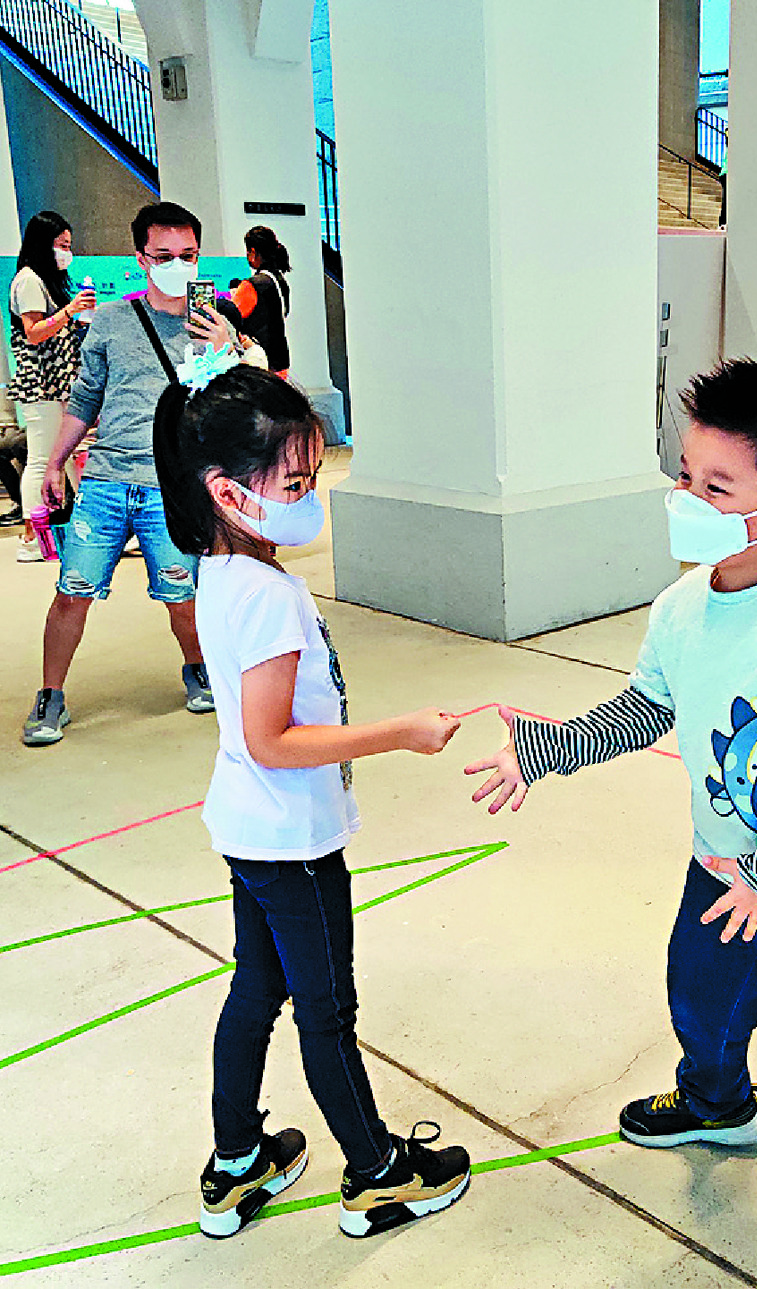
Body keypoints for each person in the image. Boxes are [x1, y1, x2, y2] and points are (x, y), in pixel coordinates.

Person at [465, 359, 757, 1271]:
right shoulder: (682, 606)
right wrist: (546, 748)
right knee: (701, 995)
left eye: (716, 488)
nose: (685, 498)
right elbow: (646, 708)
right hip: (725, 865)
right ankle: (716, 1102)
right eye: (685, 474)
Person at [151, 363, 471, 1240]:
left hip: (249, 828)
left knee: (257, 988)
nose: (310, 498)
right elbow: (272, 739)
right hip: (291, 839)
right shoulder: (267, 596)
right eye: (294, 484)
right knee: (326, 1013)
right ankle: (377, 1173)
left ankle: (237, 1160)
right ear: (228, 491)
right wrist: (399, 732)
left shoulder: (223, 568)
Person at [21, 201, 228, 746]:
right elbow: (85, 398)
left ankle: (199, 669)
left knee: (183, 593)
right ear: (141, 258)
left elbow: (227, 406)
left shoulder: (213, 323)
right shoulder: (112, 321)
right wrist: (55, 461)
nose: (177, 264)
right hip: (106, 480)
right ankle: (50, 694)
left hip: (173, 486)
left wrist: (223, 351)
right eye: (164, 255)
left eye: (187, 254)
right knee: (72, 591)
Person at [7, 210, 95, 561]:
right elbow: (33, 333)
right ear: (43, 244)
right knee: (42, 458)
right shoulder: (29, 281)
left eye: (69, 246)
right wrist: (69, 311)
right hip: (41, 383)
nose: (66, 253)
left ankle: (90, 526)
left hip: (59, 382)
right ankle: (33, 536)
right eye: (61, 245)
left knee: (69, 453)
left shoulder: (47, 281)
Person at [230, 226, 291, 375]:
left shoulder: (251, 285)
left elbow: (230, 318)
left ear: (252, 252)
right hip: (280, 360)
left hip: (258, 363)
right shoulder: (280, 281)